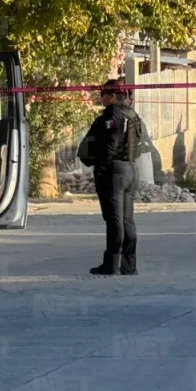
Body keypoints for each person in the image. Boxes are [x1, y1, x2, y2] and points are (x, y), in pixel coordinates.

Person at [77, 78, 141, 276]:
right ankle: (129, 265)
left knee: (115, 220)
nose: (100, 98)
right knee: (127, 219)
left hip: (115, 171)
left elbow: (110, 145)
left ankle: (111, 264)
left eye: (103, 94)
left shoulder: (113, 115)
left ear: (113, 96)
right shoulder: (132, 113)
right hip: (130, 168)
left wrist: (101, 165)